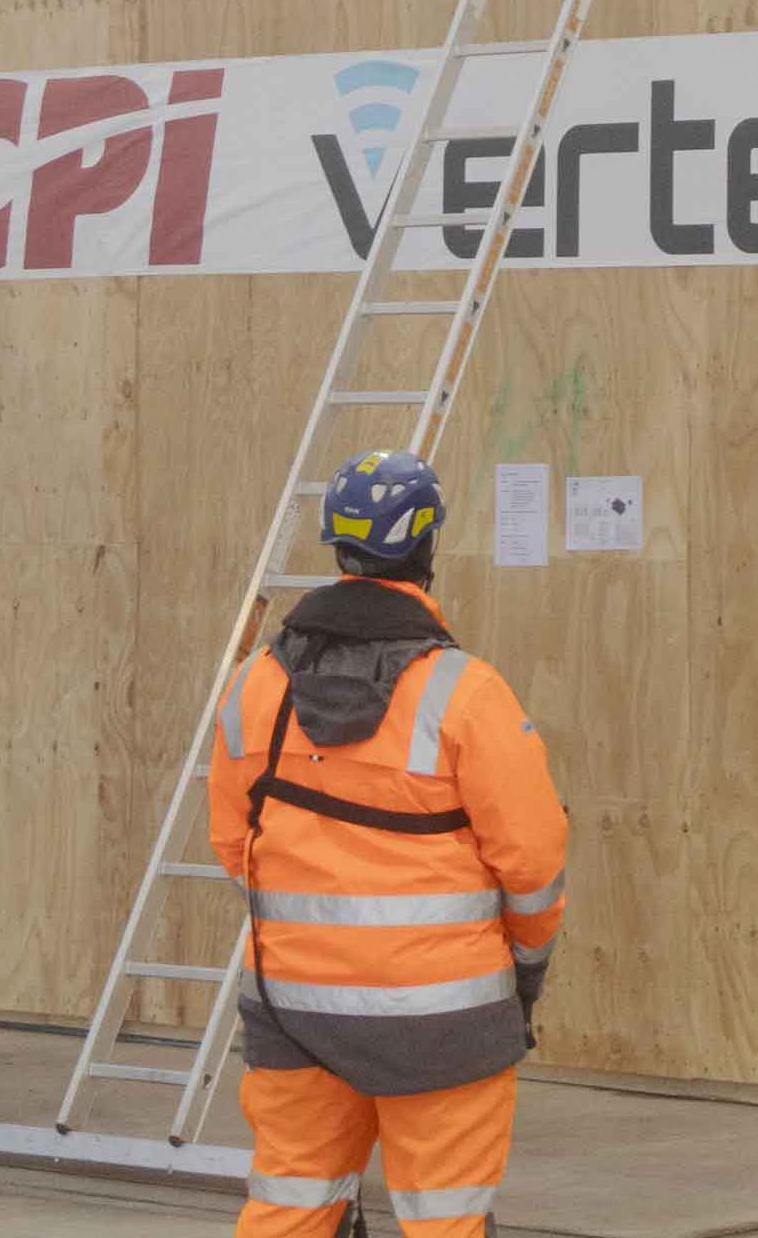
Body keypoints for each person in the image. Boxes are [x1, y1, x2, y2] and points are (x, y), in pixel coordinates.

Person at [208, 448, 568, 1238]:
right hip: (443, 1016)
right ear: (427, 544)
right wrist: (526, 971)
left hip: (294, 1007)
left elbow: (235, 845)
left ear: (337, 544)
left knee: (291, 1206)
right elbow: (533, 865)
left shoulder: (255, 684)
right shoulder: (466, 691)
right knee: (441, 1217)